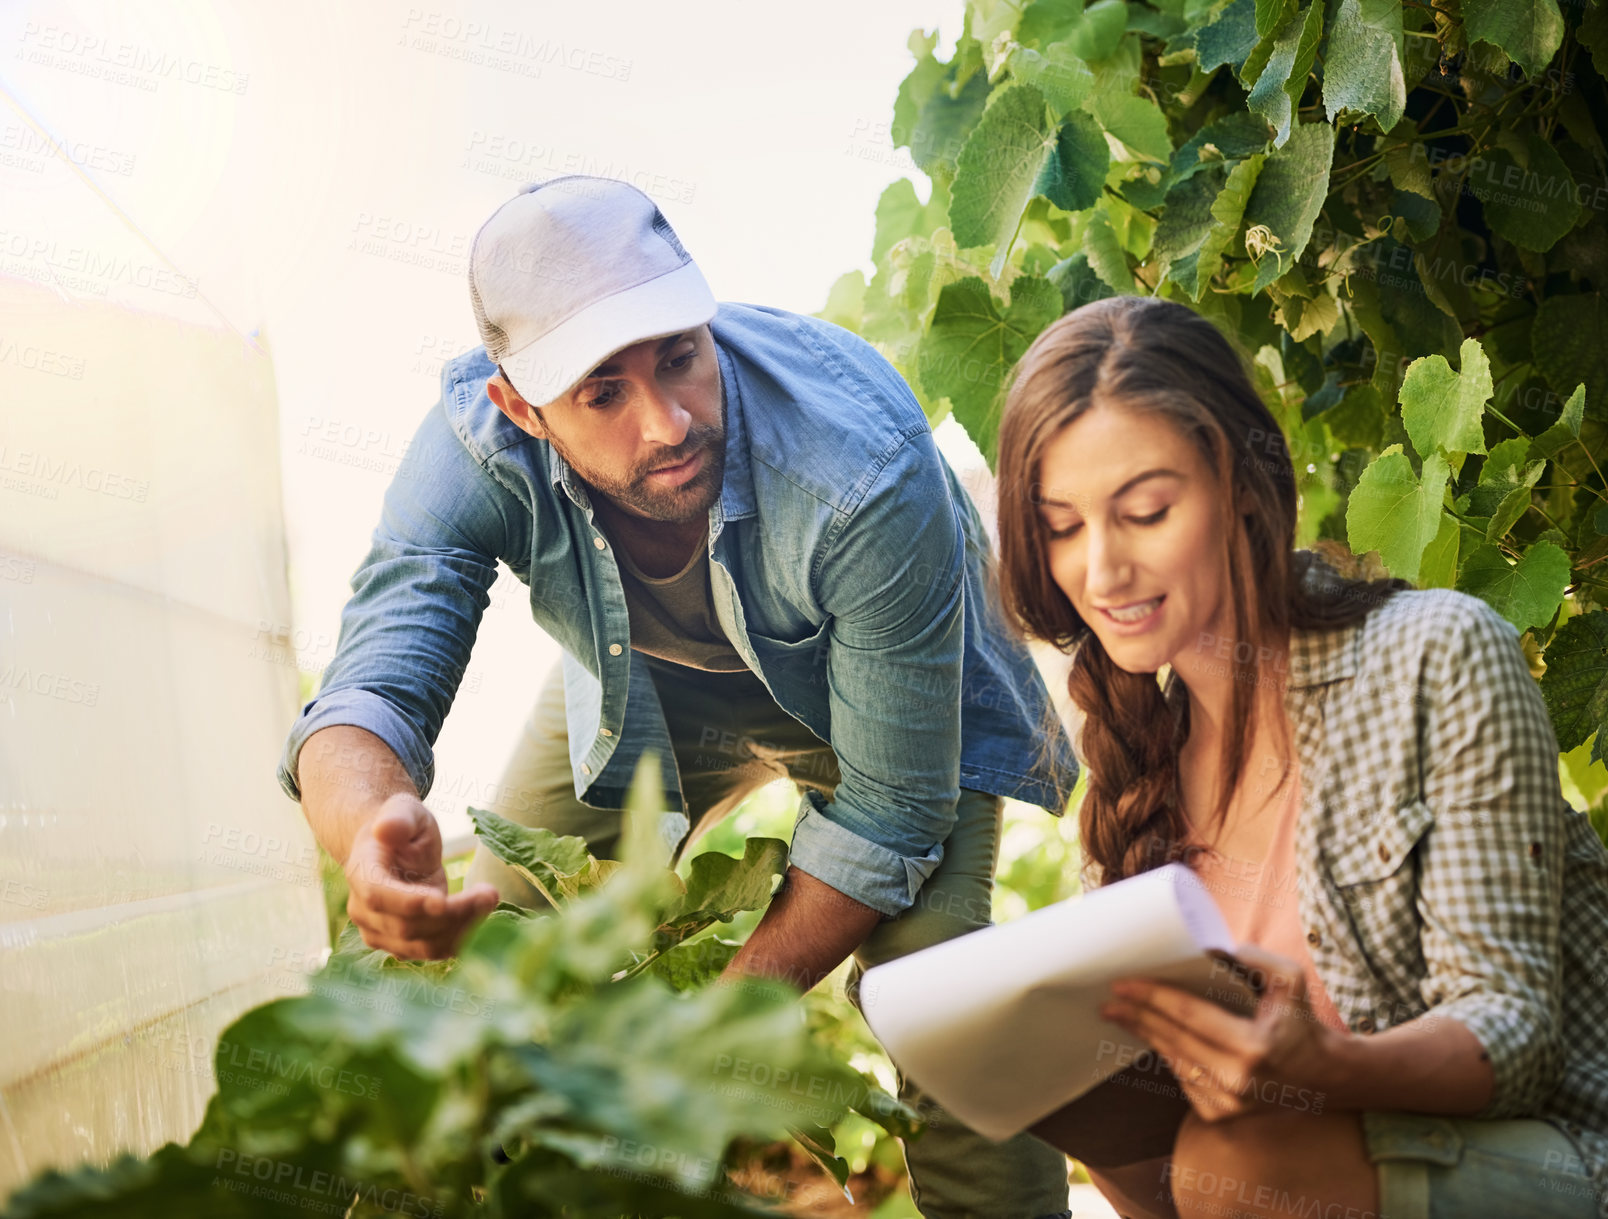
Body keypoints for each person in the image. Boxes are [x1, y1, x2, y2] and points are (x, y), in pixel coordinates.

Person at [277, 174, 1080, 1219]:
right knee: (432, 949)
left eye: (679, 357)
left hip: (892, 700)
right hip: (651, 694)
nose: (666, 422)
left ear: (704, 315)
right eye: (602, 393)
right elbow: (370, 691)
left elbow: (891, 814)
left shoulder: (860, 467)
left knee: (937, 993)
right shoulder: (475, 451)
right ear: (521, 407)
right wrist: (369, 825)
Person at [991, 294, 1608, 1219]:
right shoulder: (1139, 778)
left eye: (1145, 510)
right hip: (1310, 1186)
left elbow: (1517, 1032)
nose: (1101, 571)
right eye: (1061, 526)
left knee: (1240, 1156)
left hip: (1583, 1157)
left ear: (1242, 487)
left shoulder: (1436, 655)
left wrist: (1326, 1069)